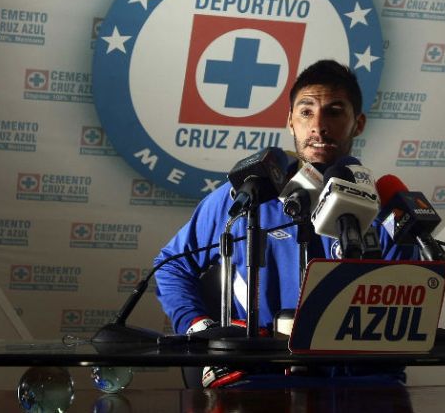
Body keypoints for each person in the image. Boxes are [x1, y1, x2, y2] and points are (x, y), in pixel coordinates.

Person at [153, 60, 419, 387]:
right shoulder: (244, 196)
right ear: (290, 121)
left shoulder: (384, 208)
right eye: (306, 112)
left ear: (358, 123)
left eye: (334, 112)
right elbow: (170, 265)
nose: (318, 126)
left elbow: (406, 309)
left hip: (362, 386)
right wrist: (198, 327)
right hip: (259, 383)